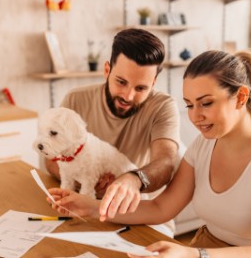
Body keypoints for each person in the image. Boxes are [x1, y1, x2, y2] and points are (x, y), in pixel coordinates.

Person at [48, 50, 251, 258]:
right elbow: (161, 207)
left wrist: (192, 253)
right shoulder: (203, 145)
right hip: (211, 248)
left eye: (206, 103)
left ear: (241, 97)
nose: (196, 117)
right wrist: (93, 207)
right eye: (189, 105)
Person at [45, 28, 181, 225]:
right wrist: (82, 178)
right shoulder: (75, 100)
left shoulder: (163, 106)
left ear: (154, 82)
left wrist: (133, 180)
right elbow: (51, 157)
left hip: (138, 216)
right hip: (82, 208)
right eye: (121, 82)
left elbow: (166, 163)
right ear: (107, 70)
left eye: (141, 88)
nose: (128, 96)